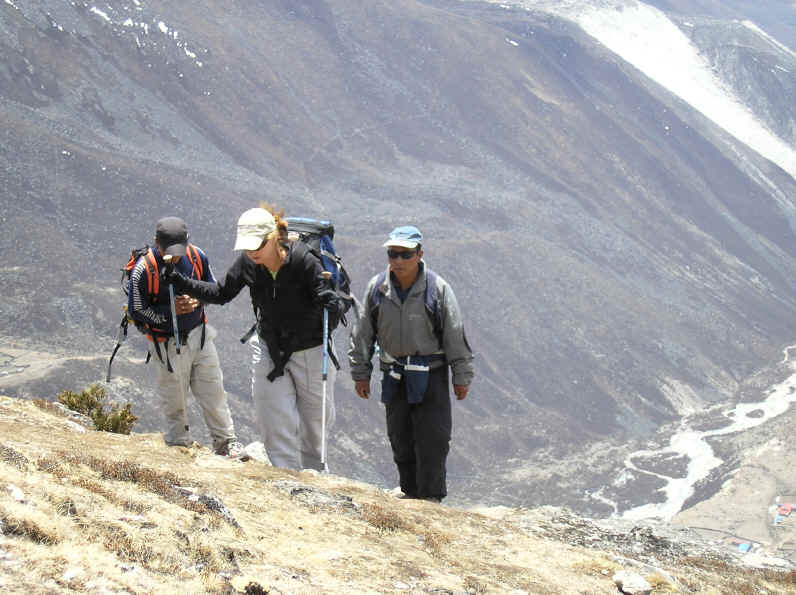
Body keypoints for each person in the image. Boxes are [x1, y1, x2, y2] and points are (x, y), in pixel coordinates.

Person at [165, 205, 343, 471]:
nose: (252, 252)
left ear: (273, 236)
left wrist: (333, 302)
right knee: (272, 416)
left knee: (314, 426)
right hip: (270, 347)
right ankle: (286, 478)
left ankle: (316, 479)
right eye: (247, 246)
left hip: (311, 349)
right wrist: (180, 281)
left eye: (257, 245)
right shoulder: (249, 262)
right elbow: (221, 293)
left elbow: (335, 308)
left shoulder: (305, 260)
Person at [348, 225, 474, 502]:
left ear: (419, 254)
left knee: (434, 438)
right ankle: (409, 491)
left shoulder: (437, 290)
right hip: (394, 374)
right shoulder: (378, 288)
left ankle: (431, 497)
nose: (398, 261)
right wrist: (361, 373)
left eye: (405, 254)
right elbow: (363, 334)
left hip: (431, 373)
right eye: (393, 254)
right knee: (400, 436)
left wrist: (461, 377)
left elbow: (454, 334)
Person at [128, 216, 246, 459]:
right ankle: (179, 443)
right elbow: (136, 310)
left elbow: (213, 289)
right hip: (166, 344)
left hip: (199, 335)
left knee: (213, 389)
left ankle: (226, 442)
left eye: (179, 250)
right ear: (156, 244)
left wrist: (197, 300)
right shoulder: (143, 268)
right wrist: (169, 313)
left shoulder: (196, 256)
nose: (175, 257)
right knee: (174, 397)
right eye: (168, 251)